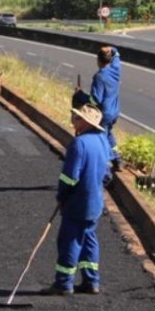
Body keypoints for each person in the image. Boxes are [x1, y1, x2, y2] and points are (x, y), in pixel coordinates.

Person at [42, 103, 109, 296]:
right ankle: (91, 281)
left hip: (78, 203)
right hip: (95, 202)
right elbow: (107, 175)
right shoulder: (103, 141)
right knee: (89, 239)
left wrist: (62, 195)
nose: (73, 120)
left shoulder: (79, 144)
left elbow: (69, 177)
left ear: (86, 122)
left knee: (69, 241)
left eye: (77, 118)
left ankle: (64, 283)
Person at [90, 46, 122, 171]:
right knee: (108, 134)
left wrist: (81, 95)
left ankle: (106, 168)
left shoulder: (99, 76)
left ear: (98, 60)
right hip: (115, 111)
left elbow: (95, 99)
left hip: (105, 113)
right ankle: (117, 160)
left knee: (101, 138)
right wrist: (111, 48)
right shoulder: (115, 70)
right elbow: (117, 55)